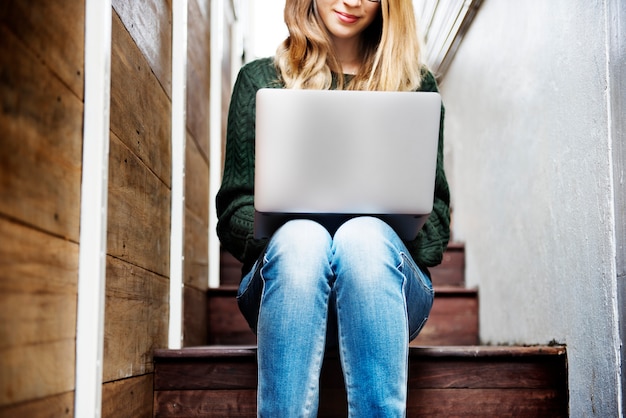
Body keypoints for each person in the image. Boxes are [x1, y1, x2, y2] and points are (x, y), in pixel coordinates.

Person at [216, 0, 450, 416]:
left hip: (384, 288)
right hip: (289, 283)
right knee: (304, 240)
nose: (353, 1)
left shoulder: (416, 87)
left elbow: (434, 232)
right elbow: (234, 213)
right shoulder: (260, 80)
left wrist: (365, 224)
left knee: (361, 240)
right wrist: (303, 223)